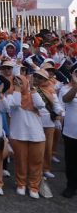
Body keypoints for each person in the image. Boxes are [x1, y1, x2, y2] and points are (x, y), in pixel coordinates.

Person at [3, 73, 47, 199]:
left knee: (36, 162)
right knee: (20, 161)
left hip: (36, 135)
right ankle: (21, 184)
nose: (18, 84)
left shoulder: (35, 94)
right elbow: (15, 103)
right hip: (19, 134)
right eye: (15, 82)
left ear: (26, 82)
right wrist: (17, 89)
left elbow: (41, 105)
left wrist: (32, 89)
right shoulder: (10, 96)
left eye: (20, 82)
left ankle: (33, 186)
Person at [59, 64, 77, 198]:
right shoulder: (65, 88)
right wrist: (76, 86)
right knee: (71, 162)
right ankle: (71, 186)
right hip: (70, 132)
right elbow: (66, 99)